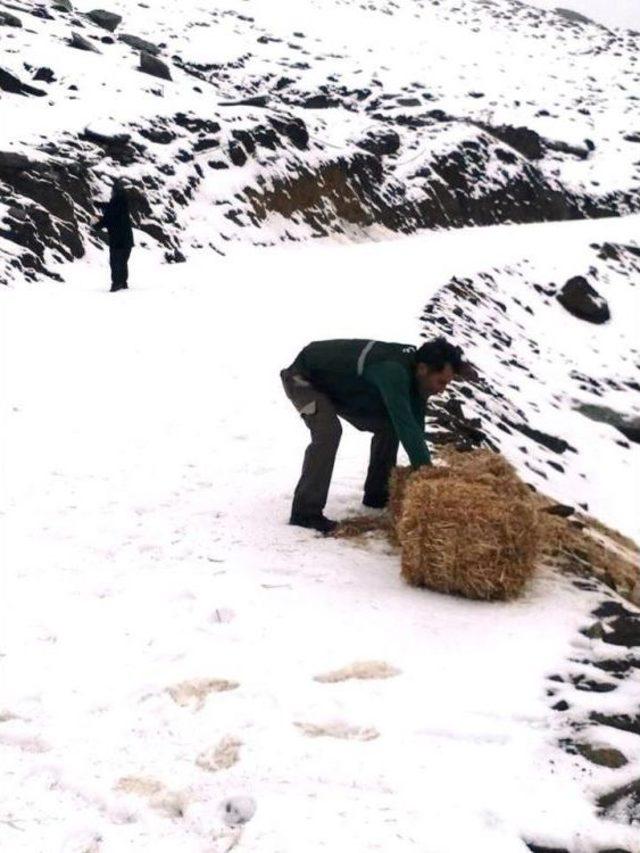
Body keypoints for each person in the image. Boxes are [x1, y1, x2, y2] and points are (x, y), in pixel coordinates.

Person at [281, 337, 476, 533]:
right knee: (329, 431)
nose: (442, 390)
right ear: (423, 369)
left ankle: (377, 495)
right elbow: (405, 423)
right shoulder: (393, 372)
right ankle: (305, 513)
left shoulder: (417, 376)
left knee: (390, 425)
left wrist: (426, 473)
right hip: (303, 378)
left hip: (340, 388)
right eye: (440, 382)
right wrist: (428, 477)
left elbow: (415, 426)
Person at [95, 180, 134, 292]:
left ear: (115, 193)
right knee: (122, 262)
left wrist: (95, 226)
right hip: (127, 241)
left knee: (115, 262)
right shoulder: (122, 203)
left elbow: (107, 219)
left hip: (118, 241)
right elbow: (111, 207)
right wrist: (98, 204)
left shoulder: (115, 205)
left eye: (112, 192)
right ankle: (123, 283)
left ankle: (117, 284)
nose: (111, 193)